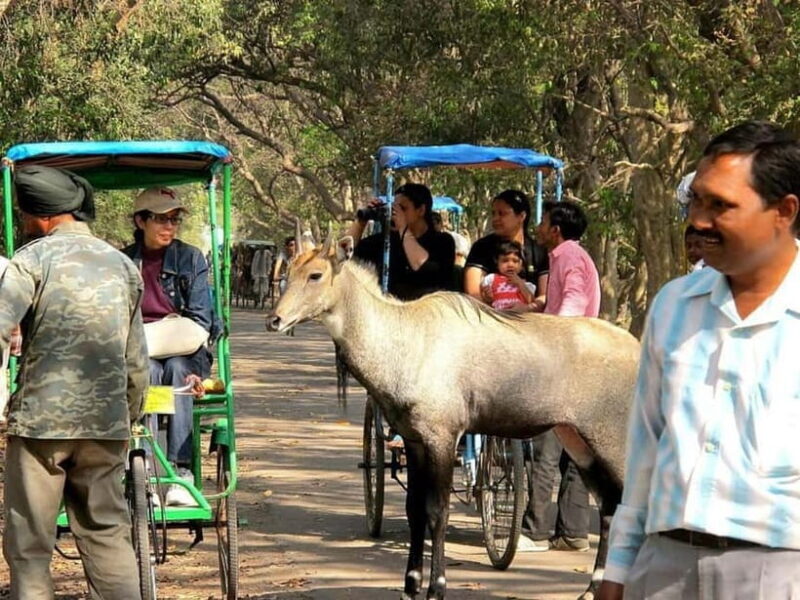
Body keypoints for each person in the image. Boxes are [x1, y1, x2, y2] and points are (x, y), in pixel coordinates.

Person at [597, 120, 800, 600]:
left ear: (784, 211)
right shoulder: (673, 305)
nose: (698, 220)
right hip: (663, 566)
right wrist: (619, 567)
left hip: (778, 572)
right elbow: (645, 447)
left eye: (720, 206)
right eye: (696, 201)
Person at [0, 165, 148, 598]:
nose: (26, 223)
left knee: (30, 547)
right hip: (105, 426)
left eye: (27, 215)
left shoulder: (32, 260)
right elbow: (135, 360)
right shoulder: (122, 265)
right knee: (106, 534)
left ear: (42, 216)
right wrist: (127, 416)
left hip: (41, 429)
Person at [123, 186, 214, 507]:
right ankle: (142, 470)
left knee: (176, 370)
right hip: (141, 355)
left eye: (174, 220)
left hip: (183, 352)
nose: (169, 227)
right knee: (146, 371)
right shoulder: (122, 262)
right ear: (140, 221)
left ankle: (180, 472)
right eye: (161, 219)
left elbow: (202, 318)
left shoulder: (191, 258)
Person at [523, 200, 601, 553]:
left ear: (555, 230)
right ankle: (573, 532)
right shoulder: (570, 256)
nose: (538, 227)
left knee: (547, 450)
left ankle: (536, 532)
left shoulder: (567, 256)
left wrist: (553, 339)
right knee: (577, 454)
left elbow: (573, 300)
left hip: (565, 361)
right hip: (583, 359)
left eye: (542, 222)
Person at [352, 183, 455, 300]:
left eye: (403, 209)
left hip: (429, 310)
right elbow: (347, 253)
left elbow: (421, 265)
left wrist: (403, 229)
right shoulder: (387, 241)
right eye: (395, 208)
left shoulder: (443, 242)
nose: (397, 213)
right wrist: (361, 222)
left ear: (421, 210)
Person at [464, 189, 548, 311]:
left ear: (521, 216)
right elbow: (473, 293)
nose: (495, 219)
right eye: (493, 214)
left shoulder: (538, 250)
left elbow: (544, 295)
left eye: (502, 213)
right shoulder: (481, 247)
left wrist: (528, 308)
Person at [480, 240, 537, 311]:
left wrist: (520, 283)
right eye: (505, 261)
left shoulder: (525, 284)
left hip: (519, 318)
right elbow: (485, 301)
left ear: (521, 265)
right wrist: (488, 298)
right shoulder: (491, 279)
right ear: (497, 262)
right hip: (498, 317)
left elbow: (531, 301)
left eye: (515, 261)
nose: (510, 265)